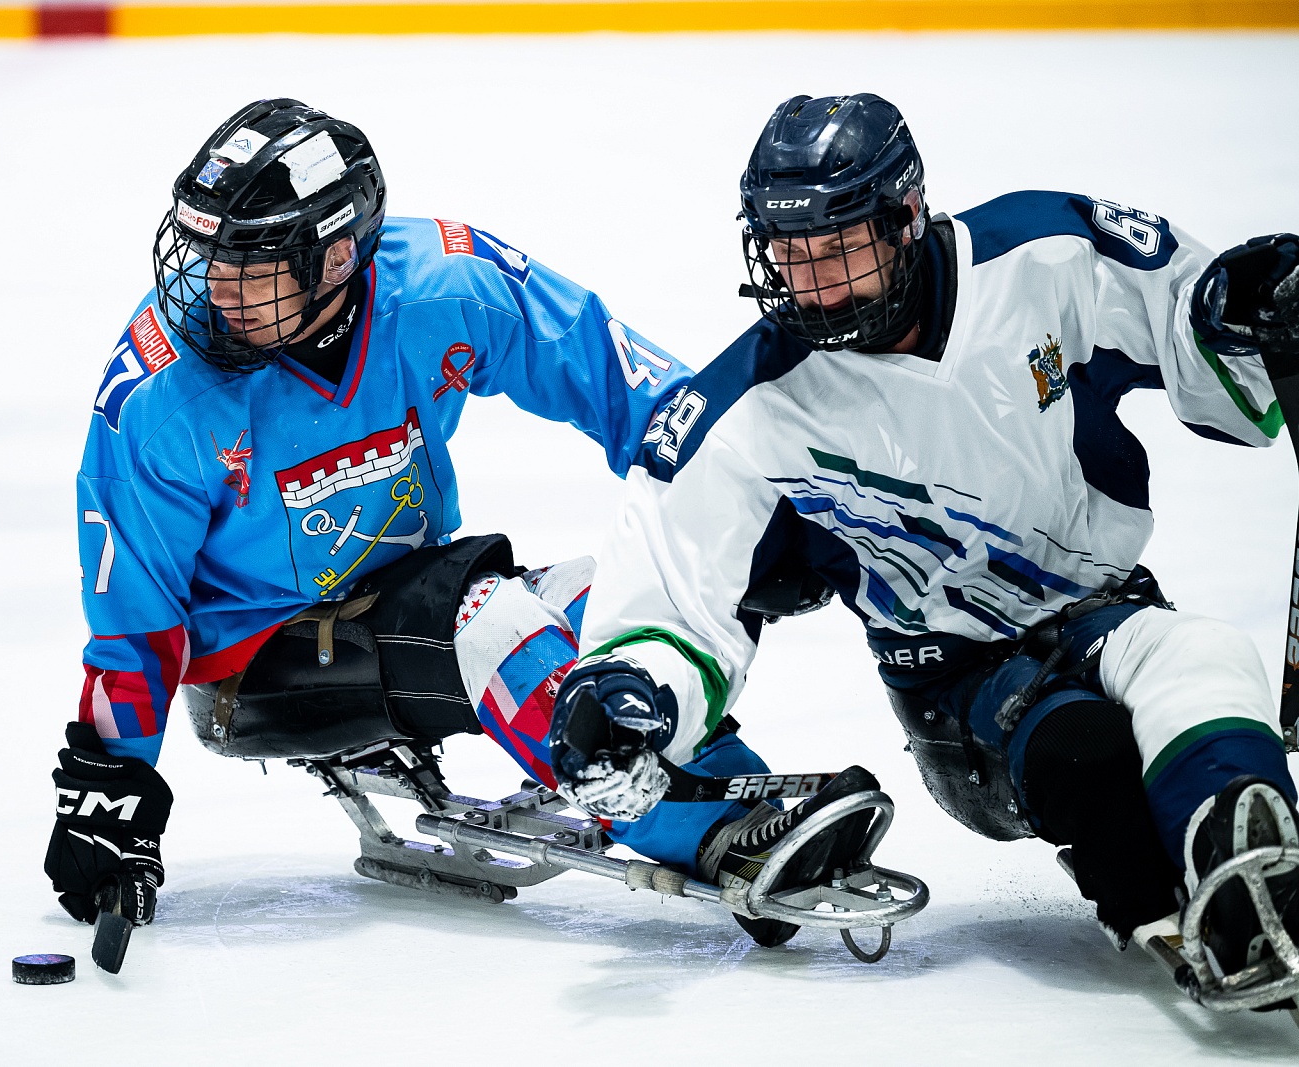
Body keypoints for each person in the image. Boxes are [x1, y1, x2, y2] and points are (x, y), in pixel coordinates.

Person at [548, 92, 1299, 1006]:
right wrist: (626, 691)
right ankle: (1166, 903)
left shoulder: (1043, 256)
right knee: (1086, 751)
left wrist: (1235, 306)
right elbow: (671, 595)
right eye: (789, 255)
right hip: (957, 688)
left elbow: (1188, 316)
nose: (814, 286)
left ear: (905, 217)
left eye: (838, 249)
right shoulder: (747, 407)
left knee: (1208, 653)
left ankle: (1259, 864)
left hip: (1108, 606)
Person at [43, 99, 776, 933]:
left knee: (610, 597)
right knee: (492, 623)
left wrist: (735, 494)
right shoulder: (161, 395)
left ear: (336, 255)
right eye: (208, 257)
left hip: (399, 591)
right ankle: (703, 830)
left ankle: (733, 788)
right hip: (255, 665)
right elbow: (134, 623)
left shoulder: (439, 285)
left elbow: (614, 376)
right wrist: (108, 796)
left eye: (250, 265)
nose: (215, 290)